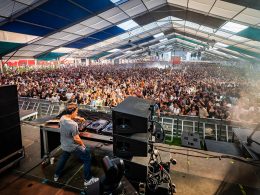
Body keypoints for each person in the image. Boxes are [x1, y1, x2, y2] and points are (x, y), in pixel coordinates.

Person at [54, 103, 99, 187]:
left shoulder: (62, 118)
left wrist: (79, 118)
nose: (77, 114)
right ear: (72, 112)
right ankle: (88, 179)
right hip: (73, 146)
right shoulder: (73, 125)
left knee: (64, 157)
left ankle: (56, 175)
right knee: (87, 156)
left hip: (64, 144)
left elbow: (70, 117)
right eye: (76, 112)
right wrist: (82, 145)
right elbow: (76, 138)